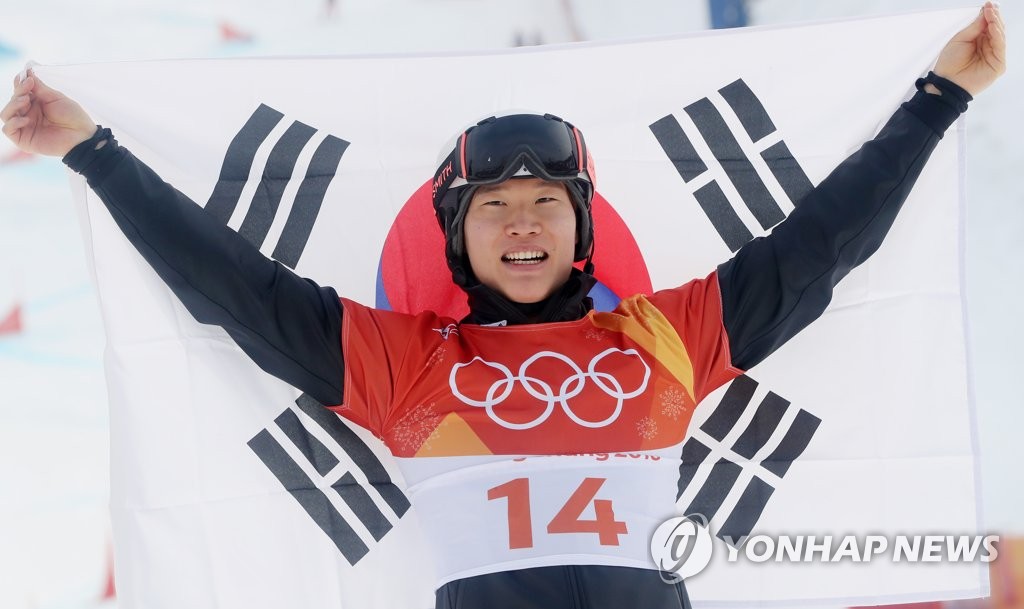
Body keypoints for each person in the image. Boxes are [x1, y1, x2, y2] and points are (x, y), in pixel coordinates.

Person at [1, 5, 1006, 608]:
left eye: (544, 204)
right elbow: (235, 285)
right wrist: (95, 153)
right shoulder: (410, 364)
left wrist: (936, 100)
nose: (521, 225)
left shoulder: (668, 337)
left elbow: (821, 242)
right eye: (494, 207)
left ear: (582, 227)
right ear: (455, 235)